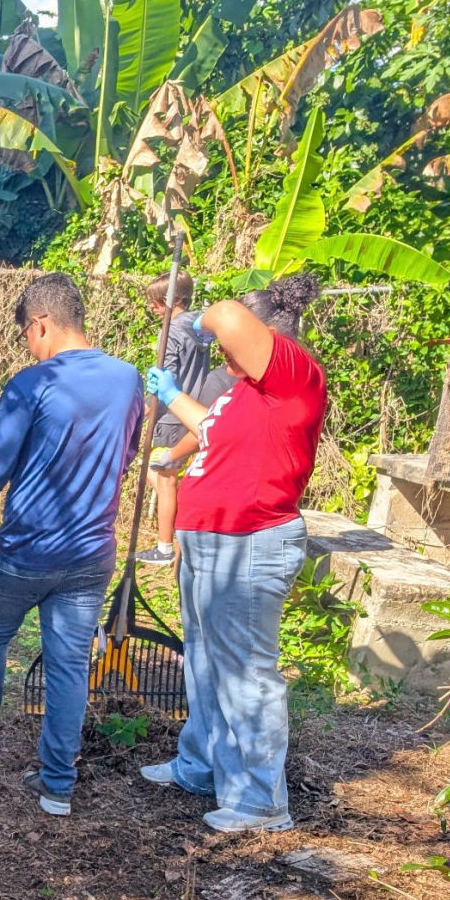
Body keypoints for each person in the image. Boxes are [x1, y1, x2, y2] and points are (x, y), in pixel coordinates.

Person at [0, 273, 144, 817]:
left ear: (42, 324)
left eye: (26, 331)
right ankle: (57, 785)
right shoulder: (128, 379)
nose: (27, 342)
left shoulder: (33, 383)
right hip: (92, 554)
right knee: (68, 665)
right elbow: (131, 449)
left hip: (27, 549)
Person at [141, 272, 328, 833]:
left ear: (268, 338)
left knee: (245, 671)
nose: (222, 352)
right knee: (203, 661)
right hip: (211, 540)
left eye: (229, 346)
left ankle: (259, 801)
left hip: (248, 543)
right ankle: (201, 765)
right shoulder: (247, 392)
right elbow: (216, 433)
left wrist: (189, 324)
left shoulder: (295, 373)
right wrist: (174, 398)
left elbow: (222, 312)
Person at [135, 269, 211, 566]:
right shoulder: (199, 327)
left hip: (170, 417)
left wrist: (145, 412)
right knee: (167, 476)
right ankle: (180, 540)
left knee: (162, 477)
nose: (152, 308)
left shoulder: (172, 330)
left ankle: (166, 547)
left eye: (156, 302)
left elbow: (166, 376)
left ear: (175, 299)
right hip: (192, 410)